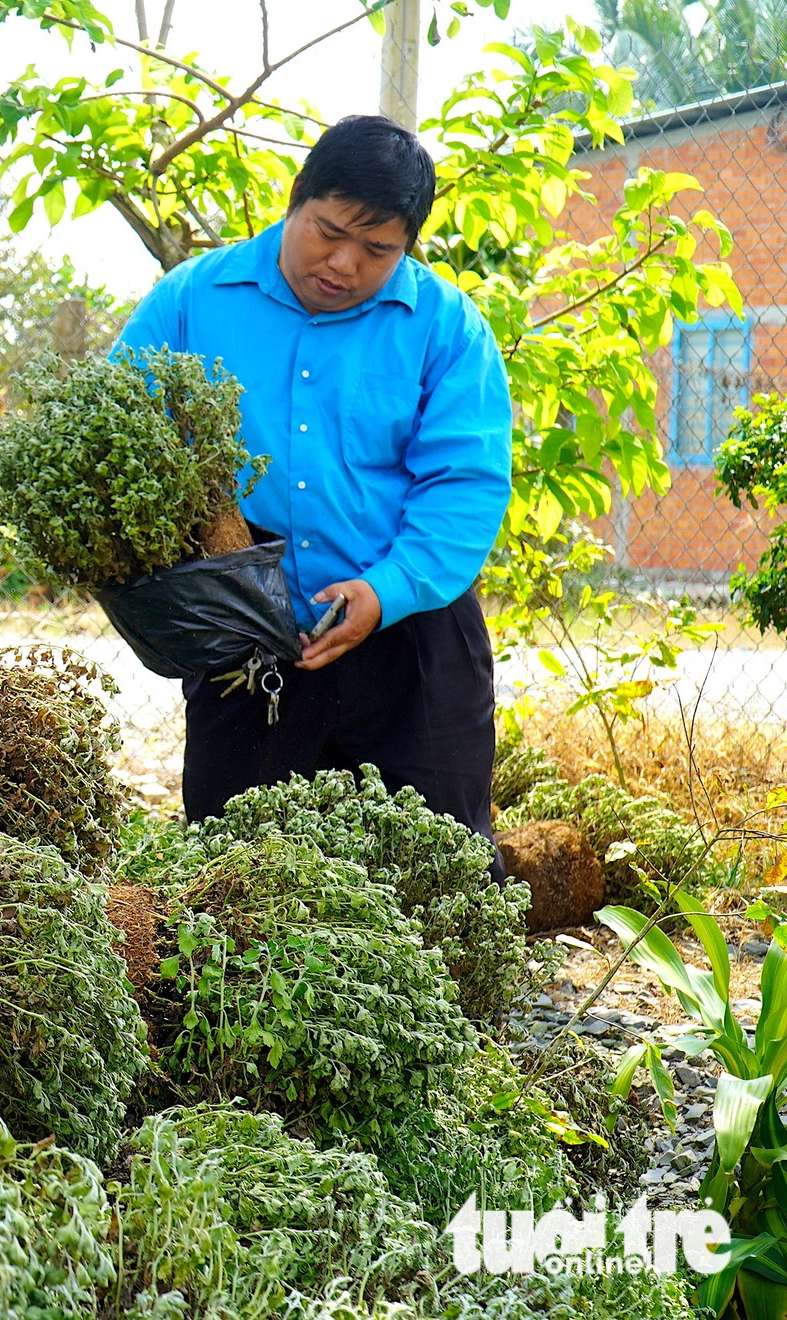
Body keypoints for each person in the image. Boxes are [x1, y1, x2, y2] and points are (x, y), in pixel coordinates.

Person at [112, 114, 512, 843]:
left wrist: (386, 591)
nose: (345, 264)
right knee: (238, 878)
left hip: (410, 631)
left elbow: (464, 484)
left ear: (407, 247)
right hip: (245, 646)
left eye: (377, 249)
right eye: (328, 231)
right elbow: (111, 433)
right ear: (296, 199)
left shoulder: (447, 327)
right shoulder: (192, 301)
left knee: (439, 868)